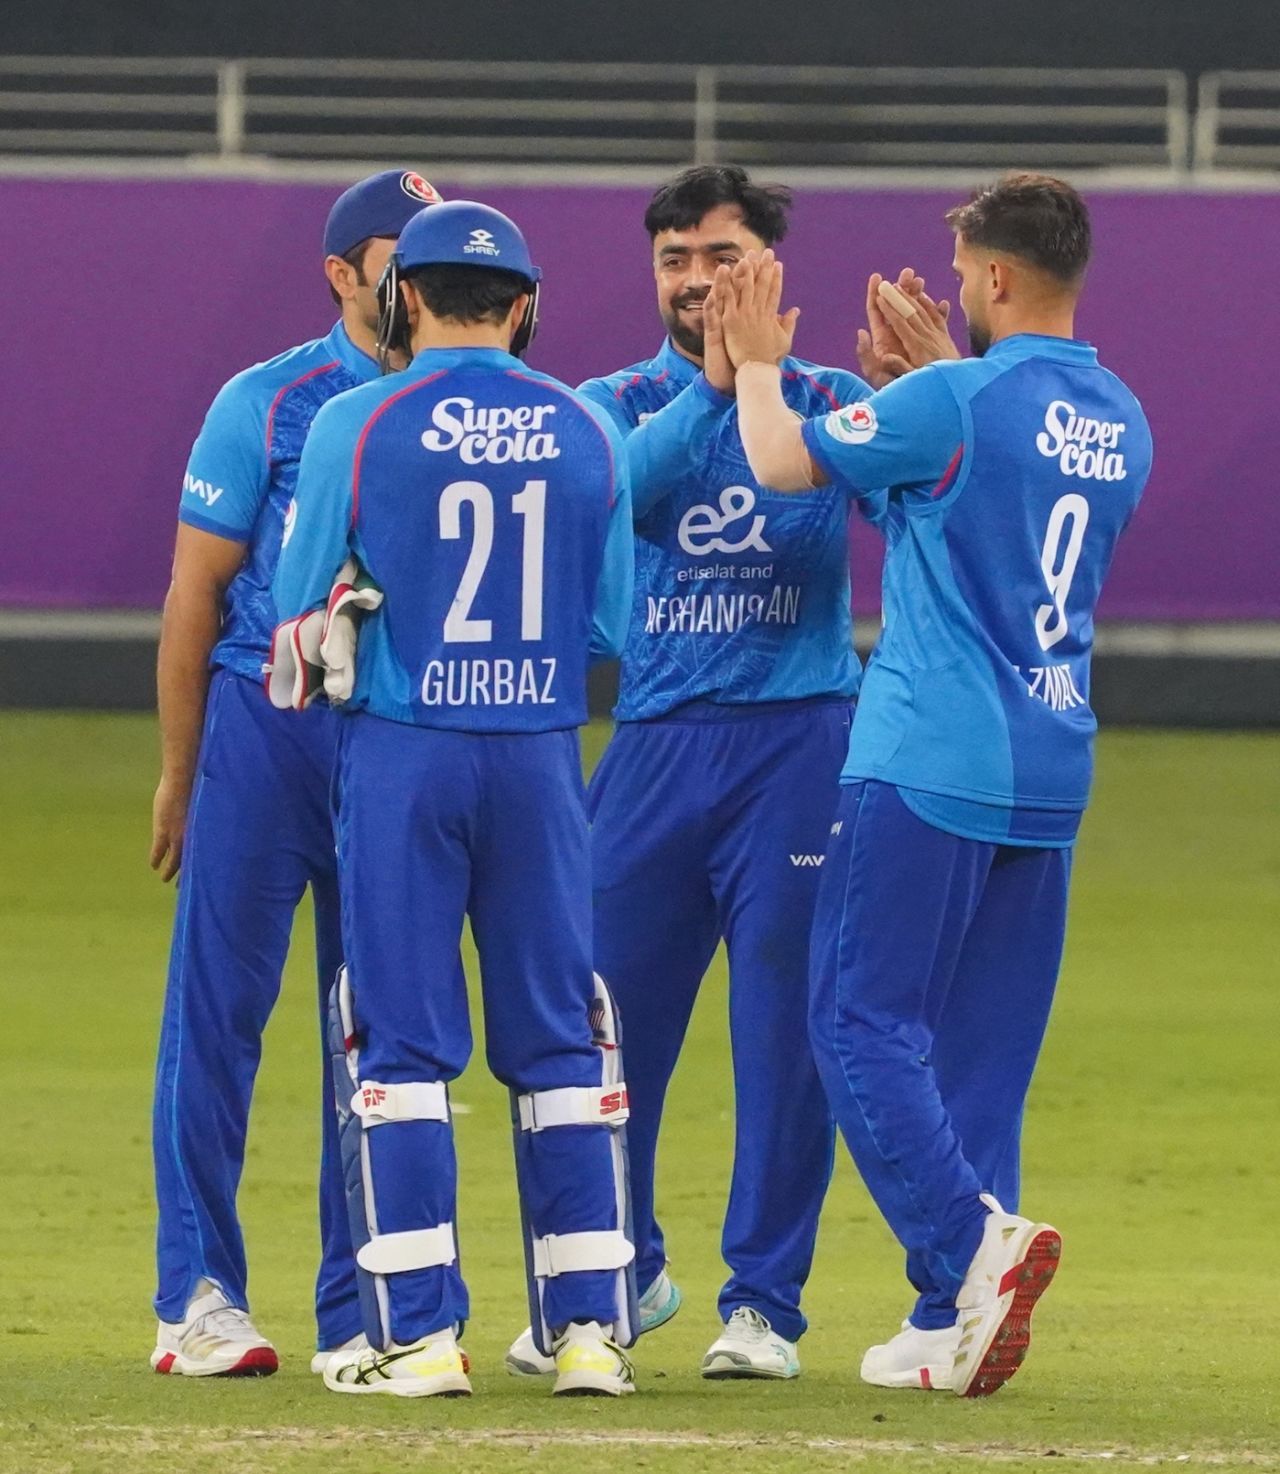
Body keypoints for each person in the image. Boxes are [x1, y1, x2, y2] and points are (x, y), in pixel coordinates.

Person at [715, 172, 1153, 1397]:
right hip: (1051, 766)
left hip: (925, 760)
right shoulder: (1121, 417)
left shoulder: (954, 399)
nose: (952, 293)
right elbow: (974, 503)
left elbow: (780, 459)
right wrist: (921, 388)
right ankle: (938, 1321)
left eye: (962, 276)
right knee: (978, 1061)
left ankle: (970, 1254)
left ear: (998, 279)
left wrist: (755, 361)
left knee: (855, 1020)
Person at [507, 164, 909, 1382]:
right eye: (675, 259)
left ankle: (764, 1309)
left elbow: (923, 524)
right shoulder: (608, 402)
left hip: (797, 745)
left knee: (782, 1033)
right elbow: (612, 500)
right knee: (599, 1031)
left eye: (721, 257)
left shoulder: (834, 399)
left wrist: (923, 401)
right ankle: (611, 1272)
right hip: (651, 746)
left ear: (769, 267)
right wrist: (722, 388)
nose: (696, 280)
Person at [272, 200, 638, 1399]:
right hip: (538, 755)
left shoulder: (355, 421)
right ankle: (589, 1333)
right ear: (525, 307)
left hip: (405, 753)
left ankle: (419, 1337)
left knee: (399, 1035)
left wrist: (357, 620)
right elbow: (609, 625)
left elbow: (295, 619)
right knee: (557, 1039)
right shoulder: (587, 425)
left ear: (400, 298)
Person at [149, 168, 442, 1378]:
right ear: (341, 272)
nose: (421, 275)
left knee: (369, 1032)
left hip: (397, 742)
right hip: (264, 735)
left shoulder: (463, 403)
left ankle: (354, 1302)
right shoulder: (266, 401)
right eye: (397, 252)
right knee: (219, 1017)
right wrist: (179, 771)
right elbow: (193, 595)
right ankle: (199, 1296)